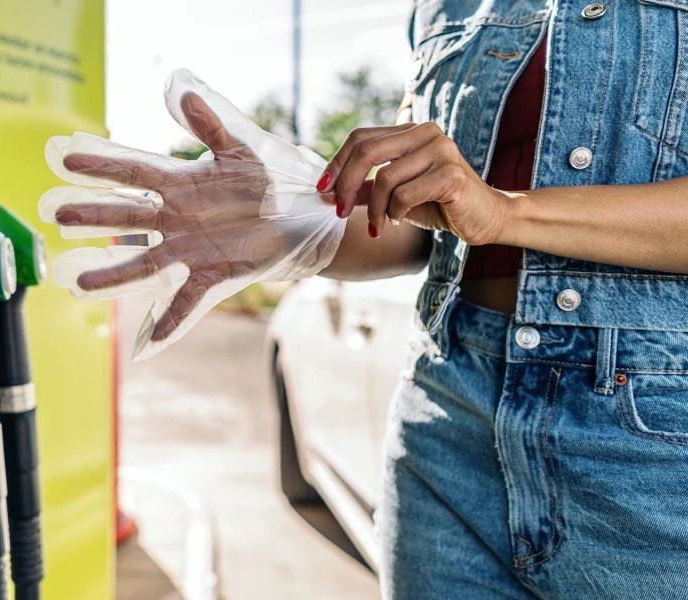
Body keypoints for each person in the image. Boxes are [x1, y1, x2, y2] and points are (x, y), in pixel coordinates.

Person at [49, 1, 688, 597]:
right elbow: (417, 224)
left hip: (652, 448)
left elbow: (483, 213)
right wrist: (290, 227)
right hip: (447, 418)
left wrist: (506, 214)